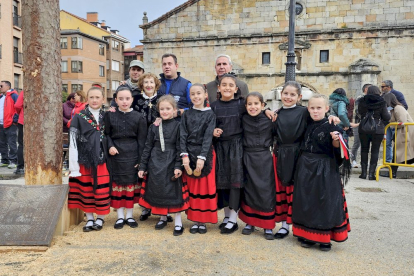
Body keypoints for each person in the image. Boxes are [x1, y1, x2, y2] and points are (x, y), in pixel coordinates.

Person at [211, 74, 274, 235]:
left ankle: (233, 219)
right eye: (223, 85)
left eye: (230, 85)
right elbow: (209, 124)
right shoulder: (214, 105)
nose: (227, 87)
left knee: (235, 183)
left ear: (236, 88)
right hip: (221, 147)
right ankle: (226, 216)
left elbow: (254, 108)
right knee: (222, 182)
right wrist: (213, 131)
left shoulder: (240, 104)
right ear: (218, 88)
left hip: (237, 147)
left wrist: (266, 110)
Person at [292, 94, 351, 252]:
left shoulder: (333, 125)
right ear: (308, 109)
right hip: (305, 166)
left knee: (324, 201)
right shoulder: (306, 121)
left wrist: (336, 140)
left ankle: (325, 239)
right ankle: (308, 236)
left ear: (326, 108)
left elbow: (338, 147)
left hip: (324, 167)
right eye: (312, 108)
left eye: (319, 108)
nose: (315, 111)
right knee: (307, 200)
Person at [138, 95, 189, 236]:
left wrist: (179, 166)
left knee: (174, 192)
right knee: (158, 190)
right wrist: (143, 166)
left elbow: (180, 147)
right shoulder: (154, 127)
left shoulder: (179, 126)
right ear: (158, 110)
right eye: (162, 109)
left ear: (174, 110)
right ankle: (162, 217)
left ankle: (178, 222)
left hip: (172, 161)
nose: (165, 111)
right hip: (155, 162)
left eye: (168, 108)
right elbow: (147, 147)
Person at [68, 87, 110, 232]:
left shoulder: (107, 116)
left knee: (101, 189)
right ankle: (90, 217)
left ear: (103, 99)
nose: (94, 100)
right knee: (86, 189)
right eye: (91, 97)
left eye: (98, 97)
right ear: (87, 99)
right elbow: (73, 140)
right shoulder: (79, 116)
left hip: (102, 159)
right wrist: (73, 164)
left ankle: (101, 218)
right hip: (85, 159)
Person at [104, 87, 147, 229]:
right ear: (115, 100)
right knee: (118, 186)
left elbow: (142, 140)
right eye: (121, 99)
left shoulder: (139, 117)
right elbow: (106, 134)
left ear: (132, 100)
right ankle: (120, 217)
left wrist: (141, 161)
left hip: (132, 154)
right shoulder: (109, 115)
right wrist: (110, 146)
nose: (124, 101)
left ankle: (130, 216)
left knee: (129, 185)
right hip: (115, 154)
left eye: (127, 98)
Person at [238, 92, 276, 240]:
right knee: (249, 189)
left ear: (262, 105)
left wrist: (267, 112)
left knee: (266, 190)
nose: (252, 107)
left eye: (256, 104)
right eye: (249, 104)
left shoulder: (270, 119)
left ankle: (267, 225)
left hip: (264, 158)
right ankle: (249, 222)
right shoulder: (243, 119)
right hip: (247, 157)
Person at [180, 84, 217, 234]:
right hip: (189, 152)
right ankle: (195, 220)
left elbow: (208, 137)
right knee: (192, 188)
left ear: (205, 95)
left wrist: (202, 157)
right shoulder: (186, 114)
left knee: (203, 188)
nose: (196, 96)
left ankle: (202, 221)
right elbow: (182, 135)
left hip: (205, 154)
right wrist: (184, 155)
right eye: (193, 94)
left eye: (199, 93)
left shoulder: (210, 114)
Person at [358, 86, 391, 180]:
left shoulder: (362, 101)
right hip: (378, 129)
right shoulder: (382, 102)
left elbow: (359, 112)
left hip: (363, 128)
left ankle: (363, 173)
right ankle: (371, 174)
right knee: (375, 151)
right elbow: (386, 117)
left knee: (364, 150)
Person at [387, 95, 414, 178]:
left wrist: (391, 124)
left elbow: (402, 121)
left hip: (405, 131)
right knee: (397, 153)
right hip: (403, 131)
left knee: (399, 153)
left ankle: (392, 173)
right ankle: (392, 173)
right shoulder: (393, 109)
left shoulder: (398, 108)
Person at [158, 53, 192, 119]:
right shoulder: (156, 84)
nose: (167, 66)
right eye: (164, 64)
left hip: (180, 125)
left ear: (176, 66)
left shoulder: (186, 85)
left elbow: (194, 108)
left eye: (169, 64)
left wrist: (179, 112)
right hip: (160, 125)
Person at [350, 84, 371, 168]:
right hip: (358, 123)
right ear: (366, 89)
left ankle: (364, 162)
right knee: (357, 143)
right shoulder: (360, 98)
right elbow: (357, 110)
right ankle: (353, 160)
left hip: (366, 124)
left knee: (365, 143)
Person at [0, 81, 19, 169]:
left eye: (1, 86)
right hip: (1, 124)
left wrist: (14, 120)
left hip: (10, 124)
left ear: (8, 86)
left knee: (12, 142)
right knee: (2, 143)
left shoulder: (13, 95)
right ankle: (4, 160)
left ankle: (13, 161)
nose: (0, 87)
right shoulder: (1, 97)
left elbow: (18, 107)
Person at [14, 90, 24, 175]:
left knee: (21, 144)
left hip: (23, 120)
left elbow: (17, 105)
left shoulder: (25, 91)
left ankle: (21, 167)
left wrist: (20, 113)